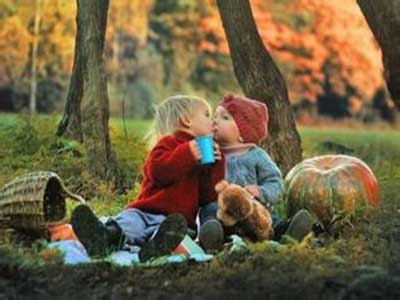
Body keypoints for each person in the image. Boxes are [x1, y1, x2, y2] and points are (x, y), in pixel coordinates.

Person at [71, 95, 225, 261]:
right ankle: (104, 237)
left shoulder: (204, 156)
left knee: (176, 233)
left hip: (175, 221)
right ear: (186, 120)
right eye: (206, 115)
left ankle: (153, 249)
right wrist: (187, 153)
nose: (212, 122)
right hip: (145, 211)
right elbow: (158, 172)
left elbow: (207, 197)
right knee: (129, 223)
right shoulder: (168, 144)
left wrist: (215, 165)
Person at [212, 93, 314, 242]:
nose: (214, 121)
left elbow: (275, 182)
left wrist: (261, 191)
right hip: (225, 213)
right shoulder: (213, 153)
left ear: (242, 133)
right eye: (215, 115)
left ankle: (287, 233)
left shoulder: (256, 156)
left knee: (271, 219)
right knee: (214, 219)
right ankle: (214, 238)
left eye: (224, 117)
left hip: (254, 211)